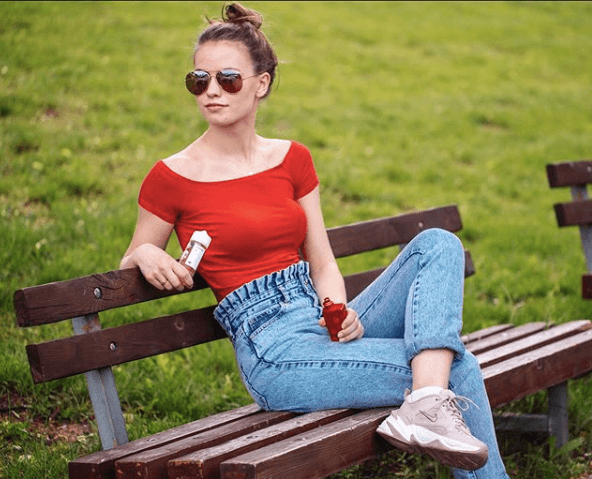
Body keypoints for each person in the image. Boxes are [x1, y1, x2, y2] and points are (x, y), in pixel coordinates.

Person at [120, 3, 510, 477]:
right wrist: (144, 252)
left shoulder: (292, 160)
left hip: (318, 320)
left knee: (438, 244)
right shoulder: (173, 176)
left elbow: (322, 261)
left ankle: (425, 403)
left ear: (261, 83)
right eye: (198, 80)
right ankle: (429, 403)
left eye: (228, 78)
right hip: (275, 352)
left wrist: (337, 310)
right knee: (457, 366)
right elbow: (130, 261)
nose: (212, 92)